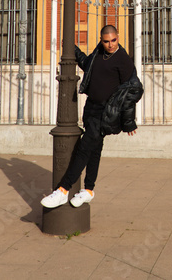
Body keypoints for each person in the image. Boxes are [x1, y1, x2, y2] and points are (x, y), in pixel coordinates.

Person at [41, 25, 143, 209]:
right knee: (95, 149)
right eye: (106, 41)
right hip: (91, 109)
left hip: (106, 113)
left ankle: (63, 190)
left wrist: (129, 122)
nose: (110, 44)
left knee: (84, 148)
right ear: (101, 40)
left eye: (113, 40)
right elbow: (86, 64)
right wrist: (72, 49)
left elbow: (134, 90)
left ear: (118, 37)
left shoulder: (123, 59)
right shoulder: (98, 53)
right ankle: (88, 190)